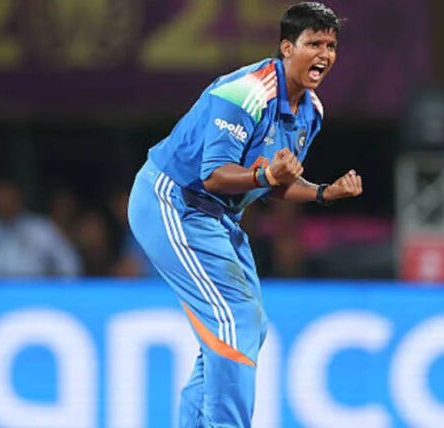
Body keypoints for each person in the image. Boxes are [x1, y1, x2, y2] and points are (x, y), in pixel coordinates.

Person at [127, 2, 362, 426]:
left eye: (331, 46)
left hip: (216, 217)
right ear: (287, 48)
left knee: (247, 327)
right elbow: (215, 175)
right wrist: (268, 174)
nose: (324, 55)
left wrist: (324, 192)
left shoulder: (312, 111)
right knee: (234, 319)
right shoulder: (246, 92)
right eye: (314, 44)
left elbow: (274, 184)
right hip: (172, 201)